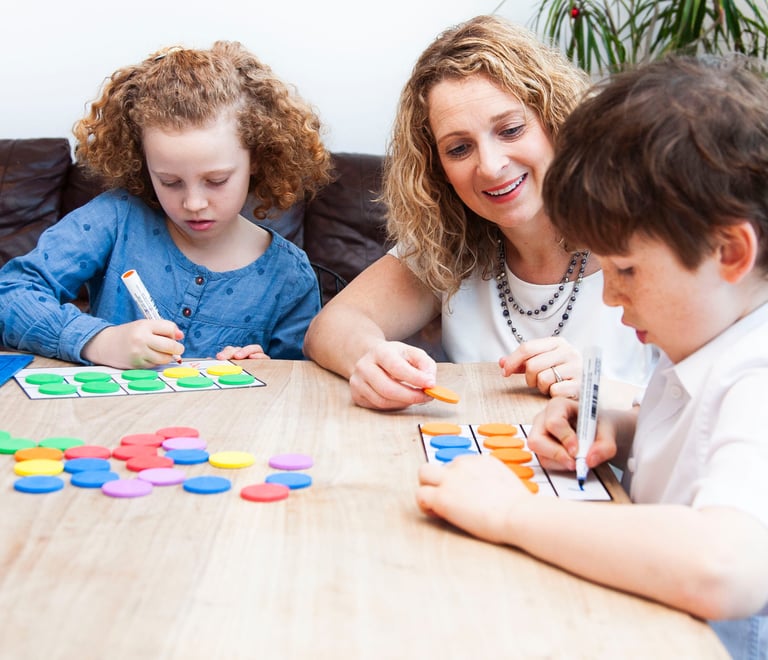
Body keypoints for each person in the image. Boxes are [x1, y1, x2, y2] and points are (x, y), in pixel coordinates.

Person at [417, 53, 768, 659]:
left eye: (625, 270)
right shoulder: (706, 342)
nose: (609, 295)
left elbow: (724, 568)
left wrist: (509, 513)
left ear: (730, 253)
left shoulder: (757, 374)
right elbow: (697, 442)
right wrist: (616, 426)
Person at [303, 15, 655, 411]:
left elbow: (704, 410)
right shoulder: (451, 249)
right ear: (437, 169)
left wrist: (600, 391)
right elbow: (330, 326)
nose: (489, 166)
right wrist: (371, 358)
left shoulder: (649, 239)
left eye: (510, 130)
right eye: (459, 149)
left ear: (558, 123)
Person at [0, 41, 331, 368]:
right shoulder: (116, 219)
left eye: (216, 180)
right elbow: (10, 293)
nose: (193, 203)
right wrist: (97, 341)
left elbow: (297, 379)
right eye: (170, 182)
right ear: (143, 163)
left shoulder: (290, 275)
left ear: (256, 159)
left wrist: (263, 369)